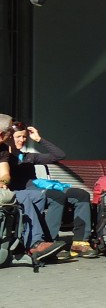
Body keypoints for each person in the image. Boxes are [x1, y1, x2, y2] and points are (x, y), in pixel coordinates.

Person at [7, 121, 98, 260]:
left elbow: (59, 155)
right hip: (24, 192)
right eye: (18, 137)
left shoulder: (28, 156)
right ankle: (51, 242)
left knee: (81, 194)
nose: (22, 140)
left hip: (39, 188)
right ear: (9, 138)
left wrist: (39, 140)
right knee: (57, 196)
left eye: (24, 137)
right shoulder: (5, 158)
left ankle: (80, 242)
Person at [0, 113, 65, 264]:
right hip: (16, 191)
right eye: (11, 133)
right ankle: (34, 243)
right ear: (3, 134)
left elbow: (4, 173)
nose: (15, 138)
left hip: (8, 190)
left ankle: (33, 243)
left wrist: (3, 180)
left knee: (37, 196)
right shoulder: (8, 152)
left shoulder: (3, 149)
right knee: (24, 196)